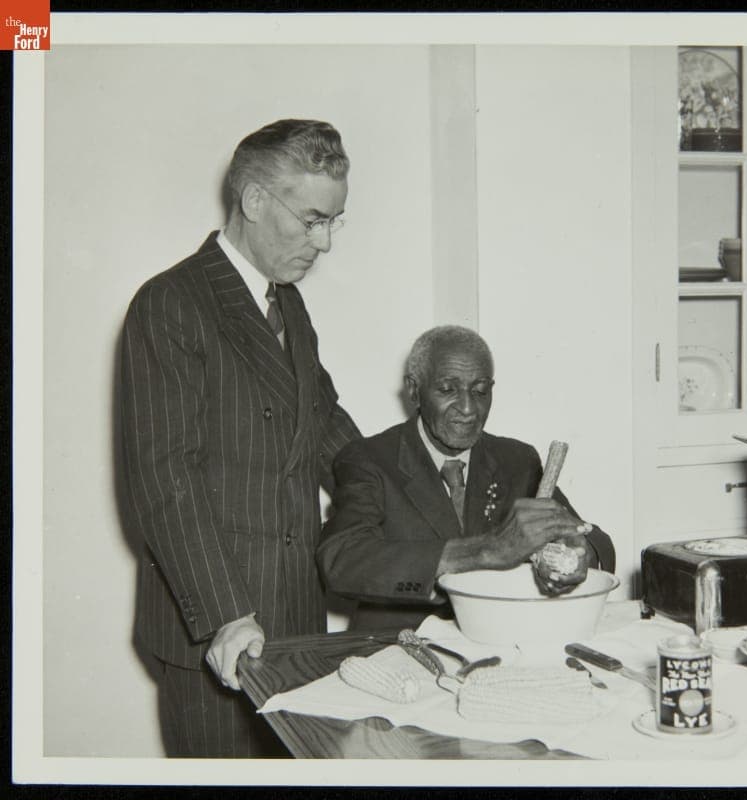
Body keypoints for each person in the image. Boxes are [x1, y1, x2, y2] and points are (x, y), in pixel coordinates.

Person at [119, 119, 361, 757]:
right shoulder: (170, 303)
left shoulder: (288, 306)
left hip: (295, 622)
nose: (325, 241)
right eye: (312, 219)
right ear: (255, 201)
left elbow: (328, 428)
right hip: (217, 632)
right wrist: (229, 612)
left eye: (334, 220)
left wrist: (427, 497)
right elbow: (164, 476)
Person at [316, 325, 616, 631]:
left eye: (480, 390)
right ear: (413, 389)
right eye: (447, 389)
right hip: (398, 650)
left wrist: (578, 553)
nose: (469, 408)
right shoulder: (369, 459)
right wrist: (486, 550)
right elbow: (342, 559)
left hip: (498, 647)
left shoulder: (517, 460)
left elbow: (593, 540)